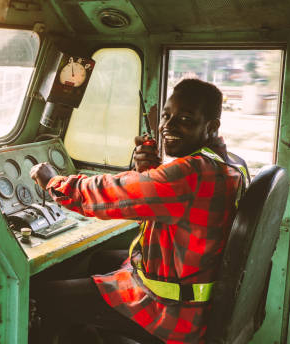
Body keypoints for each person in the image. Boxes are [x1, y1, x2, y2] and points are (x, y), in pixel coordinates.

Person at [29, 78, 248, 344]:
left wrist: (53, 181)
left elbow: (113, 192)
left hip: (170, 312)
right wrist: (149, 171)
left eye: (185, 119)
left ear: (211, 127)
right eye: (166, 116)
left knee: (43, 297)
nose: (168, 126)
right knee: (100, 260)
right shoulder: (232, 163)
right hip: (194, 292)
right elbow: (169, 199)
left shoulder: (189, 174)